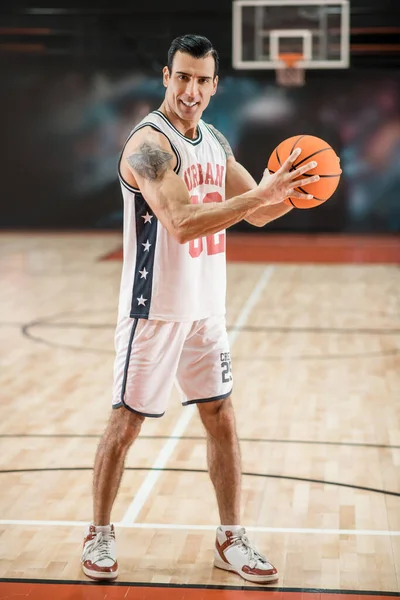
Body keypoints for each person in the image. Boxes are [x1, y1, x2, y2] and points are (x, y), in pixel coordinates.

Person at [81, 34, 319, 584]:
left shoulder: (214, 139)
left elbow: (257, 212)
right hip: (155, 309)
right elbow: (183, 223)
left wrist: (294, 188)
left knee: (222, 416)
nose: (191, 89)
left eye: (201, 80)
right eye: (181, 76)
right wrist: (261, 196)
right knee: (127, 420)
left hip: (205, 310)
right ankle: (98, 532)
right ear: (166, 76)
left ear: (215, 85)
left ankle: (230, 539)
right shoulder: (149, 145)